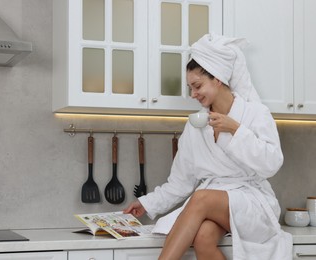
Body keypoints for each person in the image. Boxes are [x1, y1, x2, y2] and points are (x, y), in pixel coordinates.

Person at [123, 33, 292, 260]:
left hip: (254, 204)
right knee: (203, 237)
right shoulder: (195, 126)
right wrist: (146, 203)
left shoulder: (255, 113)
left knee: (202, 197)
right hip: (219, 206)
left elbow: (272, 164)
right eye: (190, 87)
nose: (193, 94)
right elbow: (181, 181)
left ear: (218, 78)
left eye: (197, 85)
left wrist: (236, 130)